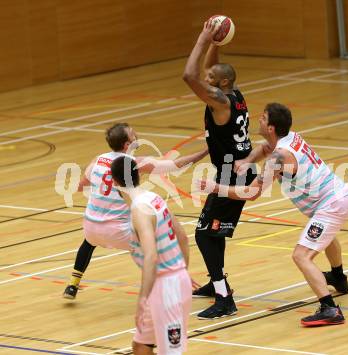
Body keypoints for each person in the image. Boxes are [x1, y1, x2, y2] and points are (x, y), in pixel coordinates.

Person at [198, 103, 348, 326]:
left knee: (301, 255)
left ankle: (330, 308)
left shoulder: (280, 157)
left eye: (263, 118)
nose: (258, 120)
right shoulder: (289, 138)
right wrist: (247, 161)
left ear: (271, 127)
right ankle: (338, 277)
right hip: (338, 196)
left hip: (332, 204)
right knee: (324, 234)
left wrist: (216, 188)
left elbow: (251, 193)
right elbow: (264, 148)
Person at [63, 122, 207, 299]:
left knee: (89, 241)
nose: (136, 135)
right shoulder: (136, 163)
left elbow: (80, 186)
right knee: (161, 243)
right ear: (127, 144)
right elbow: (176, 165)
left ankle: (72, 285)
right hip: (119, 233)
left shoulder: (98, 160)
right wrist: (206, 151)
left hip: (90, 228)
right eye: (133, 134)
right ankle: (176, 280)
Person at [182, 19, 256, 319]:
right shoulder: (233, 94)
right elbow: (210, 69)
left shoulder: (220, 102)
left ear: (221, 83)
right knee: (213, 233)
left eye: (210, 76)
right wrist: (216, 41)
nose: (205, 76)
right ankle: (217, 284)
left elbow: (188, 75)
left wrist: (201, 37)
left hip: (232, 174)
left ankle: (225, 298)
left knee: (203, 234)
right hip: (234, 168)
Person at [111, 155, 191, 355]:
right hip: (170, 281)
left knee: (171, 352)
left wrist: (142, 298)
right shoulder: (154, 198)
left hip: (166, 287)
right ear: (138, 174)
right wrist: (182, 273)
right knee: (141, 346)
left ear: (114, 182)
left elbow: (151, 256)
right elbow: (183, 237)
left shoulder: (140, 210)